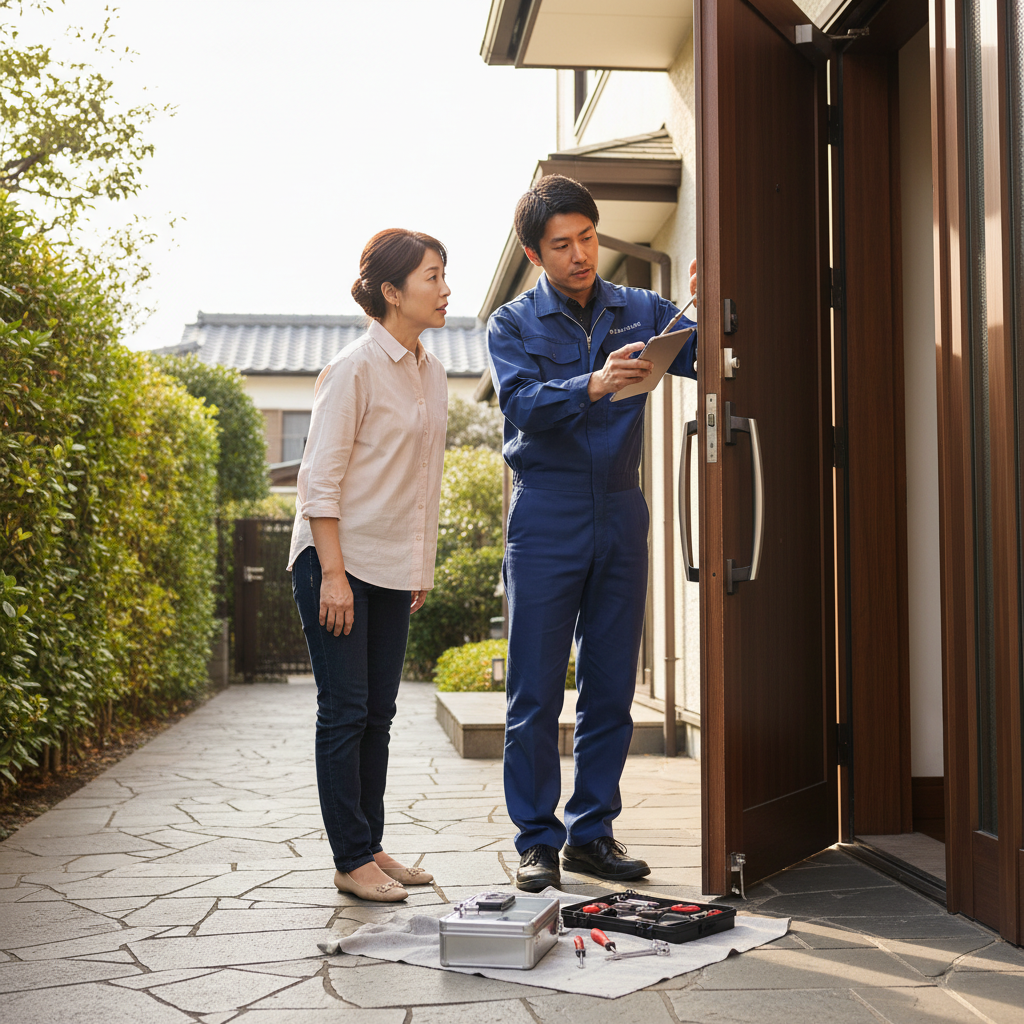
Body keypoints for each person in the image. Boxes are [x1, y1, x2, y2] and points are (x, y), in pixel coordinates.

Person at [487, 174, 698, 891]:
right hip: (546, 512)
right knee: (535, 690)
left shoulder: (641, 309)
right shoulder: (513, 324)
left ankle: (592, 833)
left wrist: (714, 299)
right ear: (533, 253)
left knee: (610, 685)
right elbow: (521, 404)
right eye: (561, 245)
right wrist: (595, 384)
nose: (580, 255)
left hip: (621, 506)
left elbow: (707, 354)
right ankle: (536, 841)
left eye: (588, 238)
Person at [288, 229, 450, 902]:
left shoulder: (432, 371)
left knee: (378, 713)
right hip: (336, 561)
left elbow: (422, 479)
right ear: (392, 292)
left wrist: (417, 567)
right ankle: (350, 858)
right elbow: (318, 482)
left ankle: (371, 845)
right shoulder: (354, 368)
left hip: (389, 567)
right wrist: (333, 575)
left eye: (444, 275)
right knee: (346, 710)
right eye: (432, 276)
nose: (445, 289)